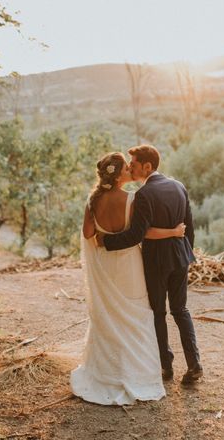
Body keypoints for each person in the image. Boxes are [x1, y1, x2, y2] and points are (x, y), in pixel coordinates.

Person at [70, 152, 185, 405]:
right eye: (126, 168)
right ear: (120, 174)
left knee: (109, 314)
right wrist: (174, 232)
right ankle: (136, 371)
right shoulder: (132, 199)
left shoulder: (92, 201)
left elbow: (88, 233)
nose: (130, 171)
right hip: (129, 264)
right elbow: (143, 234)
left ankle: (106, 373)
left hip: (106, 265)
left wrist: (103, 234)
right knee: (136, 314)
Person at [97, 145, 203, 385]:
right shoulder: (179, 186)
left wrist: (107, 241)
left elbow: (136, 234)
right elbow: (190, 227)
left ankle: (166, 367)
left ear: (147, 166)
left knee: (158, 312)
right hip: (180, 258)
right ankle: (194, 363)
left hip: (156, 262)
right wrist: (187, 254)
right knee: (181, 310)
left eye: (134, 165)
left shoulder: (144, 194)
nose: (131, 168)